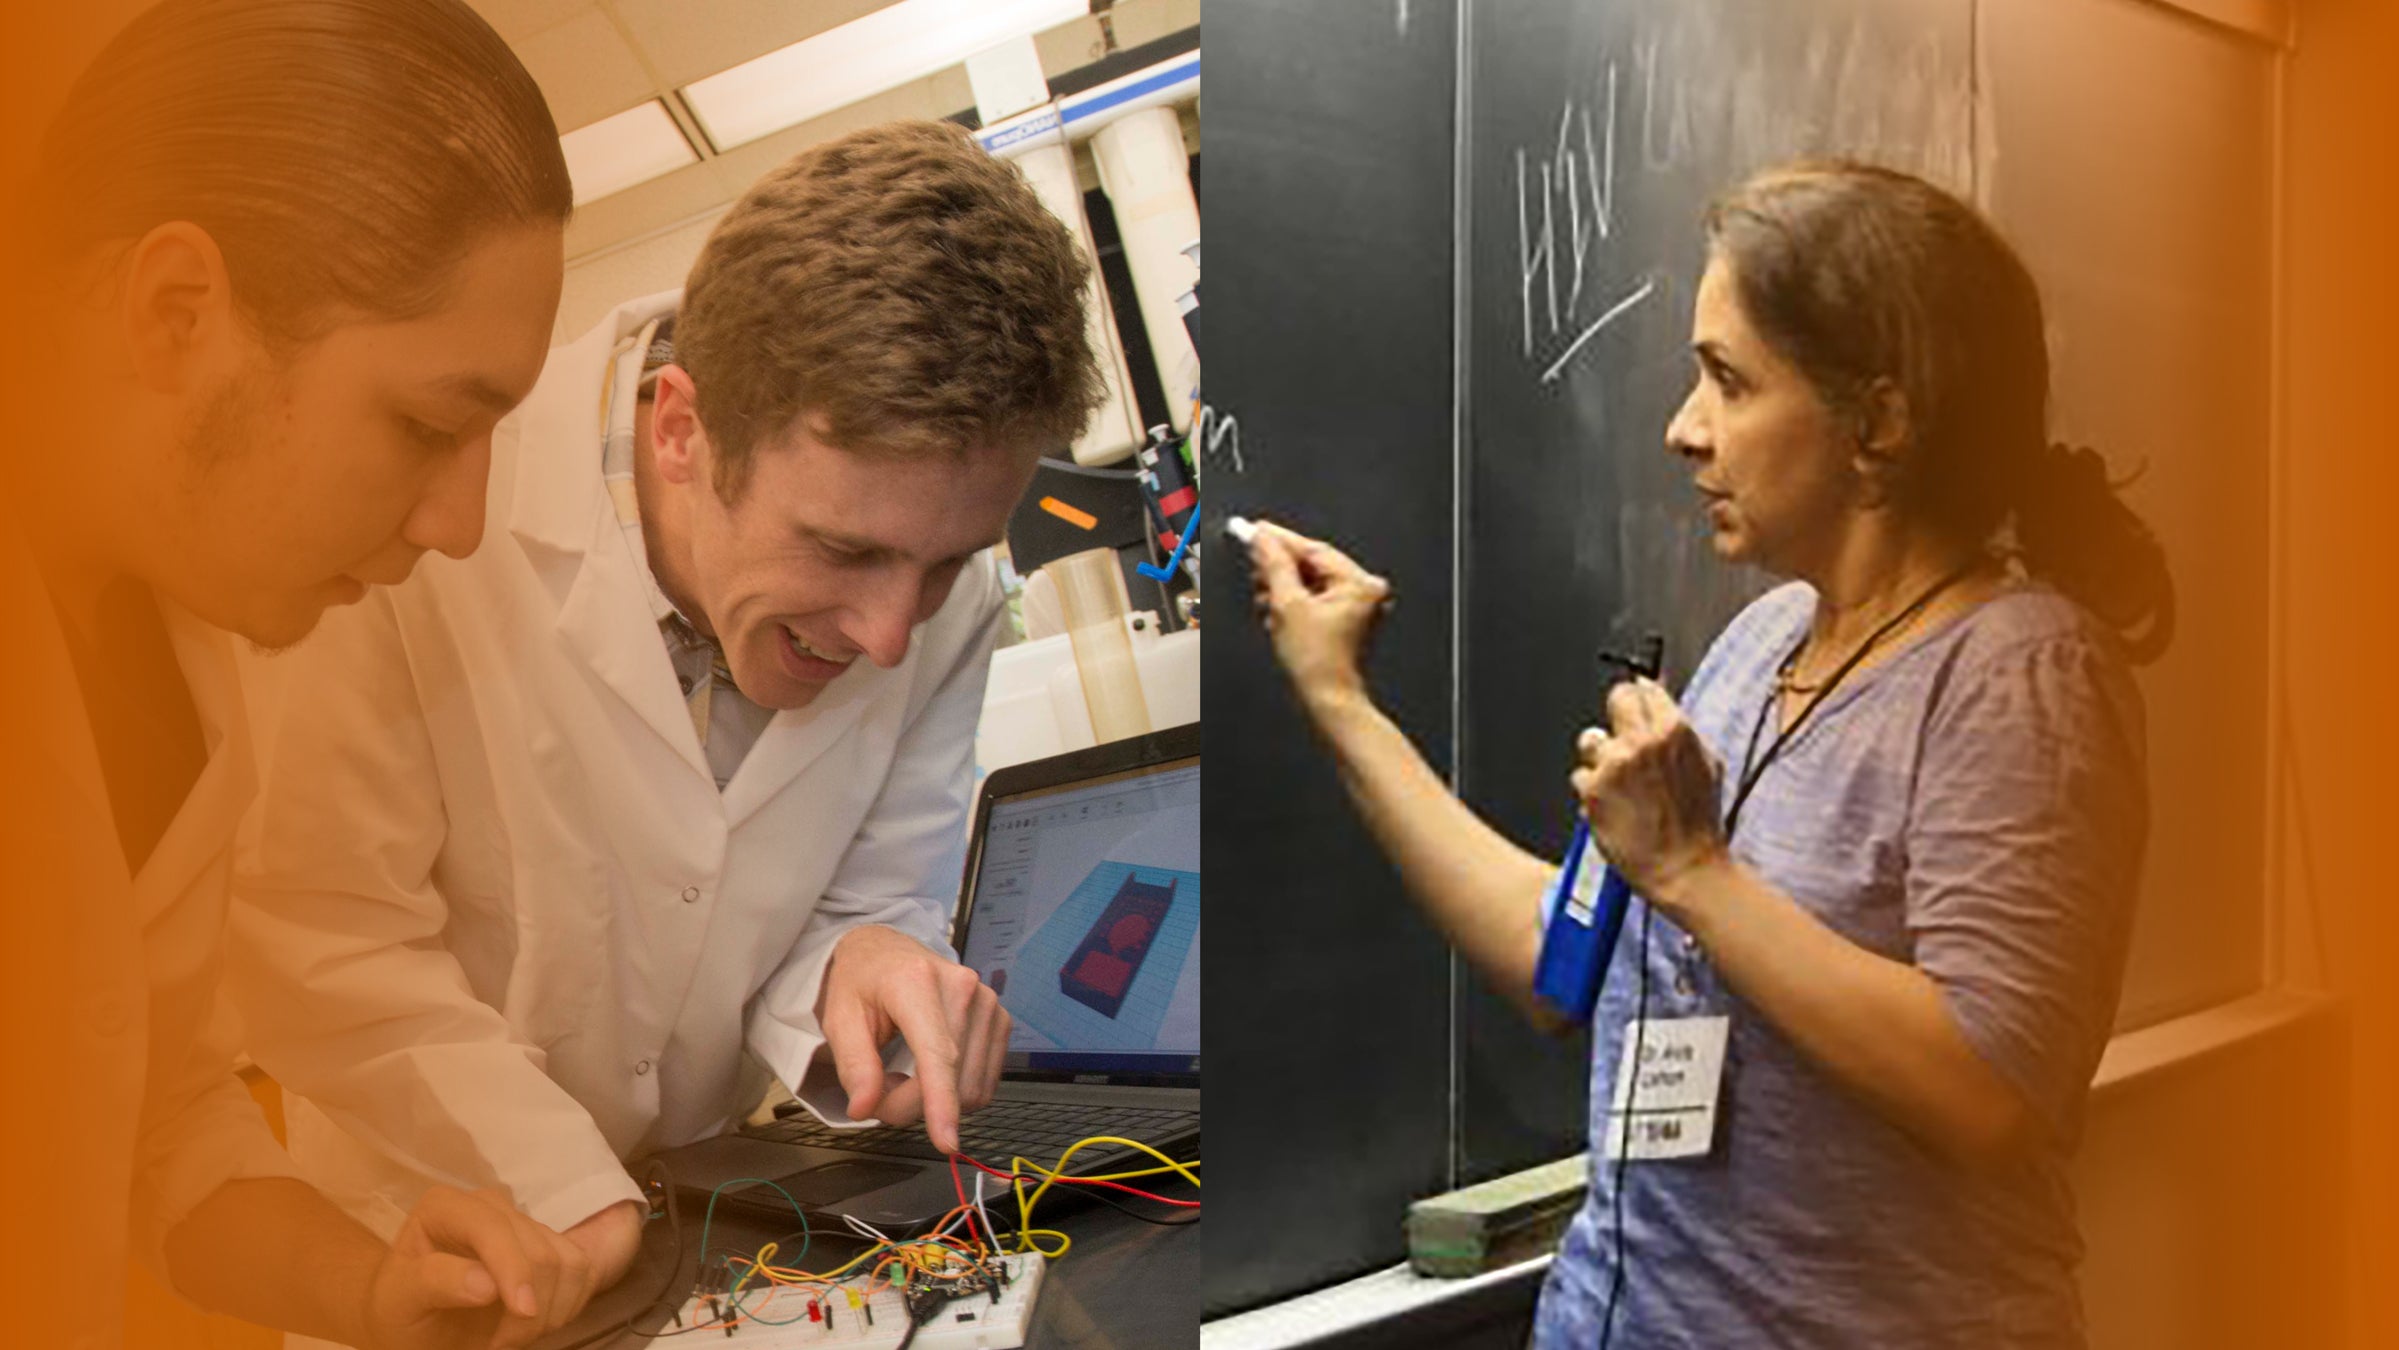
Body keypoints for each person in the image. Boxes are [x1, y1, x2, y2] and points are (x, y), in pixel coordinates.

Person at [1246, 161, 2173, 1348]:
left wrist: (1693, 871)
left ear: (1877, 423)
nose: (1683, 429)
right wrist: (1338, 699)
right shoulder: (1759, 643)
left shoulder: (2019, 675)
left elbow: (1994, 1092)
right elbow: (1561, 962)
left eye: (1729, 381)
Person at [224, 118, 1105, 1329]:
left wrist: (869, 964)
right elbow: (327, 934)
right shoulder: (421, 511)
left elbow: (862, 893)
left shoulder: (924, 601)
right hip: (437, 1246)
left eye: (948, 564)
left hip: (714, 1229)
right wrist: (566, 1185)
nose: (894, 633)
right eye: (843, 550)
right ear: (682, 429)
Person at [0, 1, 623, 1347]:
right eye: (423, 424)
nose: (458, 524)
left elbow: (160, 1123)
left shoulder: (176, 647)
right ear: (179, 313)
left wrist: (366, 1285)